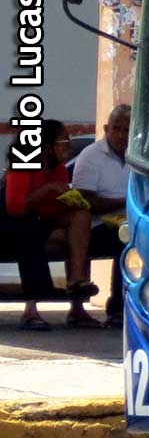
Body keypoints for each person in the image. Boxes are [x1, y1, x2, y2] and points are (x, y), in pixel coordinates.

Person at [4, 123, 86, 331]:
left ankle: (76, 281)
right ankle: (31, 309)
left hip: (39, 222)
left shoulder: (59, 170)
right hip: (10, 224)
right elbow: (15, 206)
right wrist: (47, 189)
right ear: (48, 147)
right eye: (64, 142)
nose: (68, 147)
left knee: (80, 217)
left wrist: (69, 202)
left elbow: (50, 210)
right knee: (28, 231)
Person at [67, 105, 130, 327]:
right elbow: (84, 202)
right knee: (125, 241)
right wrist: (124, 202)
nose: (121, 135)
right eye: (116, 129)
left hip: (129, 221)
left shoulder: (137, 156)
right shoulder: (91, 156)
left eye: (126, 130)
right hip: (95, 227)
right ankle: (117, 309)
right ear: (106, 128)